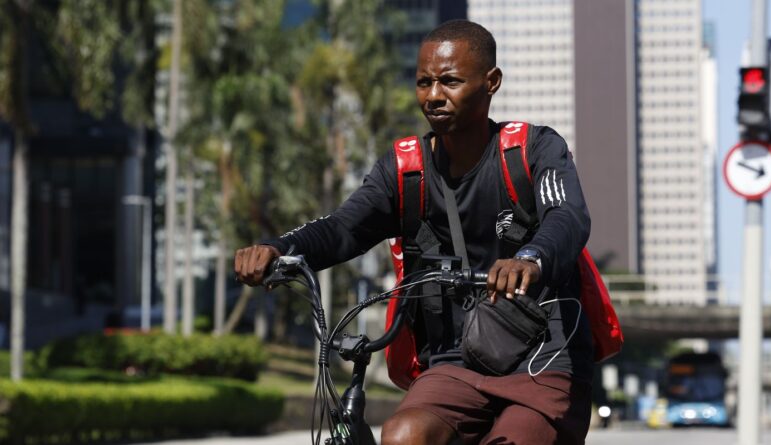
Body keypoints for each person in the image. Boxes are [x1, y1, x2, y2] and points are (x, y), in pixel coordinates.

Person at [235, 19, 593, 445]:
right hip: (453, 362)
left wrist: (531, 258)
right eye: (424, 82)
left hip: (540, 358)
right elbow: (343, 227)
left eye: (450, 81)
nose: (434, 95)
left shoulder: (532, 149)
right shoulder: (406, 171)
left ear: (491, 82)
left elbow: (568, 217)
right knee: (403, 434)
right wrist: (277, 249)